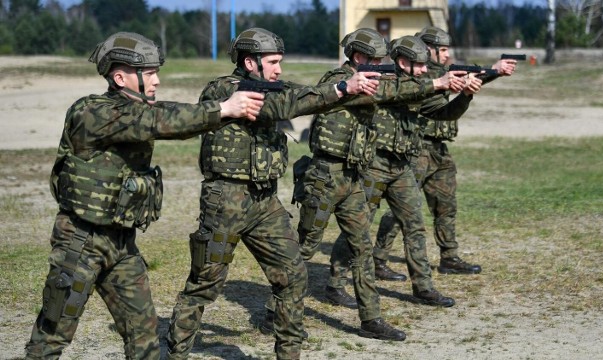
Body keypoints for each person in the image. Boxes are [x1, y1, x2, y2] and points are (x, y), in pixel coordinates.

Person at [24, 32, 265, 359]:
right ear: (120, 77)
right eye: (149, 73)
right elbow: (156, 120)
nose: (157, 81)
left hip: (122, 244)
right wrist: (223, 108)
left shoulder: (141, 109)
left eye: (156, 72)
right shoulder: (91, 113)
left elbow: (165, 115)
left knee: (144, 335)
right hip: (79, 242)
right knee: (51, 338)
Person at [164, 27, 402, 360]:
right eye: (273, 62)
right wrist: (342, 87)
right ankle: (175, 351)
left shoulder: (273, 87)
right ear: (250, 62)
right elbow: (284, 105)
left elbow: (300, 93)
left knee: (293, 275)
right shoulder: (224, 89)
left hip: (265, 202)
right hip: (226, 200)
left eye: (280, 62)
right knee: (205, 284)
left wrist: (340, 89)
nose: (279, 69)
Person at [260, 28, 463, 331]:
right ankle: (273, 311)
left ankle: (371, 319)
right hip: (325, 176)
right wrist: (436, 82)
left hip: (354, 175)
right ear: (358, 58)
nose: (383, 68)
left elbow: (400, 93)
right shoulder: (336, 81)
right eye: (376, 61)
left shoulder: (373, 83)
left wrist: (455, 87)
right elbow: (385, 92)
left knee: (363, 249)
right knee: (304, 246)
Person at [325, 34, 480, 308]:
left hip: (401, 167)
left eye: (424, 65)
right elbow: (394, 93)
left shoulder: (417, 85)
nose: (424, 69)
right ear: (401, 62)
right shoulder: (376, 81)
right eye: (418, 65)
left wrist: (464, 96)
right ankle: (335, 284)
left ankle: (423, 287)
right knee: (358, 228)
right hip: (372, 165)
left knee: (414, 226)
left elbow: (442, 112)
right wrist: (435, 83)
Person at [374, 26, 517, 277]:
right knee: (401, 210)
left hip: (439, 150)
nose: (446, 54)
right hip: (417, 148)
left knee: (446, 205)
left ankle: (449, 256)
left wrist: (494, 71)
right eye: (442, 49)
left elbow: (465, 75)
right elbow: (445, 78)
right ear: (427, 48)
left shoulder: (442, 72)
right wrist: (491, 71)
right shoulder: (421, 75)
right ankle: (378, 258)